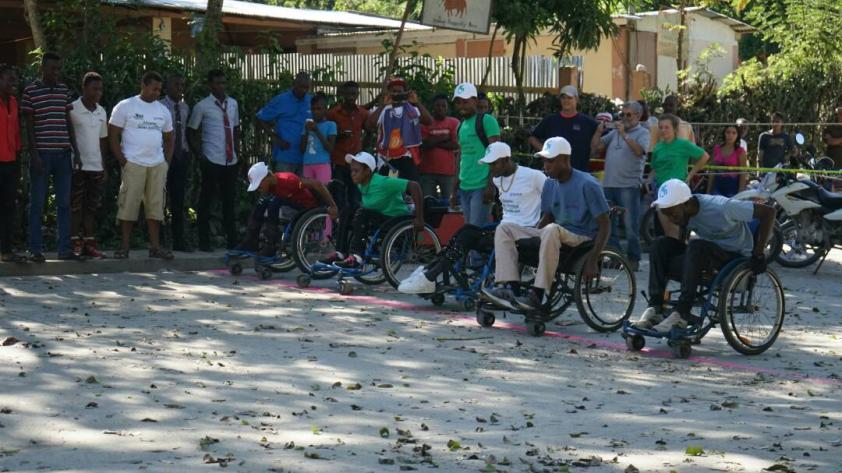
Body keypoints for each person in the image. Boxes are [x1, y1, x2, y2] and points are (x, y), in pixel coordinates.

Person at [398, 141, 546, 294]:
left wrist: (541, 224)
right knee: (466, 230)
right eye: (489, 164)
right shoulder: (497, 179)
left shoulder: (534, 176)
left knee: (468, 236)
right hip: (503, 231)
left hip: (524, 232)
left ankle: (429, 276)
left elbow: (553, 198)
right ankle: (429, 272)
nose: (490, 168)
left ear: (506, 160)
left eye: (494, 164)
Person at [482, 137, 611, 311]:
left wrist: (594, 258)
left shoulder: (587, 184)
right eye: (544, 160)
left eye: (550, 161)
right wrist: (532, 238)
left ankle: (538, 294)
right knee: (505, 228)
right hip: (556, 232)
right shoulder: (550, 184)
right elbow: (548, 217)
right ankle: (510, 288)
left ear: (565, 160)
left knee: (551, 230)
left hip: (581, 237)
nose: (546, 166)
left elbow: (605, 225)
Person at [631, 179, 775, 332]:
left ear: (686, 204)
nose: (671, 219)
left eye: (673, 214)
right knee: (659, 244)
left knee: (696, 246)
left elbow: (768, 212)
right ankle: (656, 307)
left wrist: (759, 253)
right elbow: (682, 238)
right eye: (667, 215)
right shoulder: (684, 213)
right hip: (707, 255)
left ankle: (682, 313)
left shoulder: (722, 207)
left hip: (734, 256)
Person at [21, 52, 81, 262]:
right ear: (42, 69)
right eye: (52, 69)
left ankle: (64, 249)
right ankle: (35, 249)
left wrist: (76, 151)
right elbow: (29, 127)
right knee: (38, 203)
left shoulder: (64, 90)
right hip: (42, 155)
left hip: (63, 154)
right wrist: (34, 154)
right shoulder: (30, 91)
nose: (56, 73)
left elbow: (68, 122)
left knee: (64, 203)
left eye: (58, 69)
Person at [109, 71, 174, 260]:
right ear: (143, 86)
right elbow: (113, 134)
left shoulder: (163, 110)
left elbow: (169, 138)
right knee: (128, 205)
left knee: (155, 207)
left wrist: (165, 163)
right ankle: (124, 247)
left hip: (156, 165)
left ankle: (155, 247)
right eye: (153, 88)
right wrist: (123, 161)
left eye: (159, 90)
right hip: (133, 164)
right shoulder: (126, 106)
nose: (156, 93)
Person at [326, 151, 424, 269]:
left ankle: (357, 256)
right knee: (347, 211)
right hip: (378, 216)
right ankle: (340, 253)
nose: (353, 174)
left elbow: (414, 186)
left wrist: (419, 217)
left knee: (362, 213)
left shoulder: (383, 182)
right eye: (351, 170)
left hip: (394, 219)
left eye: (356, 171)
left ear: (368, 171)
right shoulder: (361, 183)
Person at [591, 101, 650, 271]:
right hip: (609, 184)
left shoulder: (643, 133)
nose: (624, 118)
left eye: (629, 115)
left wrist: (624, 135)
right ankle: (616, 257)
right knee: (609, 224)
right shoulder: (615, 133)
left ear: (638, 116)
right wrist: (598, 131)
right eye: (622, 115)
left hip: (628, 186)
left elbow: (640, 151)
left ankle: (633, 258)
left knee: (630, 225)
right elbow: (595, 148)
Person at [239, 162, 339, 257]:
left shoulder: (289, 180)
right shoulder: (271, 184)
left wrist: (333, 205)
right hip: (290, 202)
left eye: (259, 185)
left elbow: (317, 184)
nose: (258, 189)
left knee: (273, 202)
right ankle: (250, 241)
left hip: (305, 206)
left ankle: (270, 245)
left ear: (266, 178)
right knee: (262, 202)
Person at [189, 69, 241, 252]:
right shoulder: (202, 106)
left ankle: (232, 241)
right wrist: (200, 155)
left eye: (224, 82)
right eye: (218, 83)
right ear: (210, 85)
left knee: (229, 202)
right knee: (206, 201)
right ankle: (204, 242)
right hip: (211, 159)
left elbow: (235, 129)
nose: (221, 86)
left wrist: (237, 151)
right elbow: (192, 131)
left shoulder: (233, 104)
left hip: (230, 160)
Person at [649, 114, 710, 239]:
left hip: (677, 189)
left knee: (675, 228)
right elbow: (655, 167)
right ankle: (670, 255)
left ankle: (677, 255)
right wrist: (649, 180)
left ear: (674, 129)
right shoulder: (658, 147)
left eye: (667, 127)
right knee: (666, 229)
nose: (663, 130)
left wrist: (690, 175)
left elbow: (704, 156)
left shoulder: (683, 144)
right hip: (661, 190)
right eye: (661, 127)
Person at [69, 72, 108, 259]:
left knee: (91, 207)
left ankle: (89, 244)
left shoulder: (102, 111)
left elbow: (103, 140)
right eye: (95, 88)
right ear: (84, 88)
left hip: (95, 166)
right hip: (77, 166)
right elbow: (69, 136)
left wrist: (103, 165)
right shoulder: (72, 109)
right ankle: (75, 243)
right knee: (75, 206)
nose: (98, 92)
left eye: (100, 89)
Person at [450, 82, 501, 226]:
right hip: (464, 186)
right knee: (469, 229)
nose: (462, 106)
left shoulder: (487, 121)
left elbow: (497, 153)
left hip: (482, 186)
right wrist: (454, 189)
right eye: (458, 102)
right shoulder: (460, 126)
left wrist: (490, 184)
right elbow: (461, 156)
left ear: (475, 101)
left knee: (475, 230)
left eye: (466, 101)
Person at [365, 77, 433, 181]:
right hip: (386, 159)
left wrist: (416, 103)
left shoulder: (412, 109)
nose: (397, 94)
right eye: (394, 91)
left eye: (400, 91)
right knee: (388, 190)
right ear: (389, 93)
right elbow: (369, 126)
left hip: (408, 157)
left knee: (409, 190)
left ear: (405, 93)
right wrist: (383, 105)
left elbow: (428, 121)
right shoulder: (383, 109)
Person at [528, 85, 599, 173]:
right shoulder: (550, 120)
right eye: (563, 98)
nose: (566, 101)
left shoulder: (588, 122)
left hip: (580, 172)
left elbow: (601, 141)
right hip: (554, 173)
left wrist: (594, 151)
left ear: (576, 99)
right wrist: (546, 152)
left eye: (569, 98)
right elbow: (532, 138)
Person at [159, 73, 191, 252]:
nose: (180, 89)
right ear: (167, 87)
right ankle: (162, 240)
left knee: (178, 200)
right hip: (163, 157)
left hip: (181, 157)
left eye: (182, 85)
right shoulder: (160, 106)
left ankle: (179, 240)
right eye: (176, 85)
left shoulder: (185, 108)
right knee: (161, 199)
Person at [257, 72, 312, 175]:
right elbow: (260, 118)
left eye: (306, 88)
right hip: (285, 157)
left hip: (307, 158)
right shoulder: (281, 100)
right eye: (301, 87)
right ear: (294, 84)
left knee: (303, 190)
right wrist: (275, 137)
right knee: (284, 189)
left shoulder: (311, 101)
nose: (304, 90)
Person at [326, 81, 368, 206]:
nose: (351, 97)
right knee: (337, 196)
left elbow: (370, 129)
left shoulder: (362, 113)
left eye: (354, 94)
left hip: (356, 161)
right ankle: (338, 223)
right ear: (343, 94)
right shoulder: (333, 113)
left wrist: (364, 148)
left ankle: (352, 223)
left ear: (357, 95)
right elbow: (326, 135)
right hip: (339, 160)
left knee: (355, 196)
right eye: (348, 94)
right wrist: (340, 136)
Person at [0, 64, 25, 262]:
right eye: (9, 79)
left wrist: (18, 161)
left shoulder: (14, 102)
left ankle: (6, 250)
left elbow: (16, 133)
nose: (13, 83)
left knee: (8, 206)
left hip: (10, 162)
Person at [419, 94, 459, 199]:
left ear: (447, 108)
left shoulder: (454, 123)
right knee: (428, 202)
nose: (440, 108)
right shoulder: (425, 123)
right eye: (437, 105)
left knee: (449, 202)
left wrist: (433, 140)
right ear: (433, 107)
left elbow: (455, 145)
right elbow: (423, 145)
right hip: (427, 172)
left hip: (448, 171)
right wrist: (443, 138)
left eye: (443, 106)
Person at [300, 93, 336, 184]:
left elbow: (330, 148)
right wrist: (307, 132)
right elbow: (302, 149)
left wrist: (317, 131)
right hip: (307, 164)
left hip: (323, 164)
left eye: (319, 109)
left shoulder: (331, 125)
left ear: (325, 109)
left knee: (323, 192)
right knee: (308, 193)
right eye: (313, 109)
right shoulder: (307, 124)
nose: (316, 112)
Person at [706, 125, 748, 197]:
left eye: (734, 133)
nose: (730, 135)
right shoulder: (717, 148)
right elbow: (712, 171)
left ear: (737, 135)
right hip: (717, 186)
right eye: (728, 132)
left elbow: (743, 174)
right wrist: (708, 191)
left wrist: (740, 194)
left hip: (733, 188)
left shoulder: (740, 151)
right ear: (724, 134)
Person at [821, 103, 842, 169]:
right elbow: (829, 141)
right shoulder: (830, 126)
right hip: (832, 165)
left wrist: (836, 140)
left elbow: (833, 141)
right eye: (840, 113)